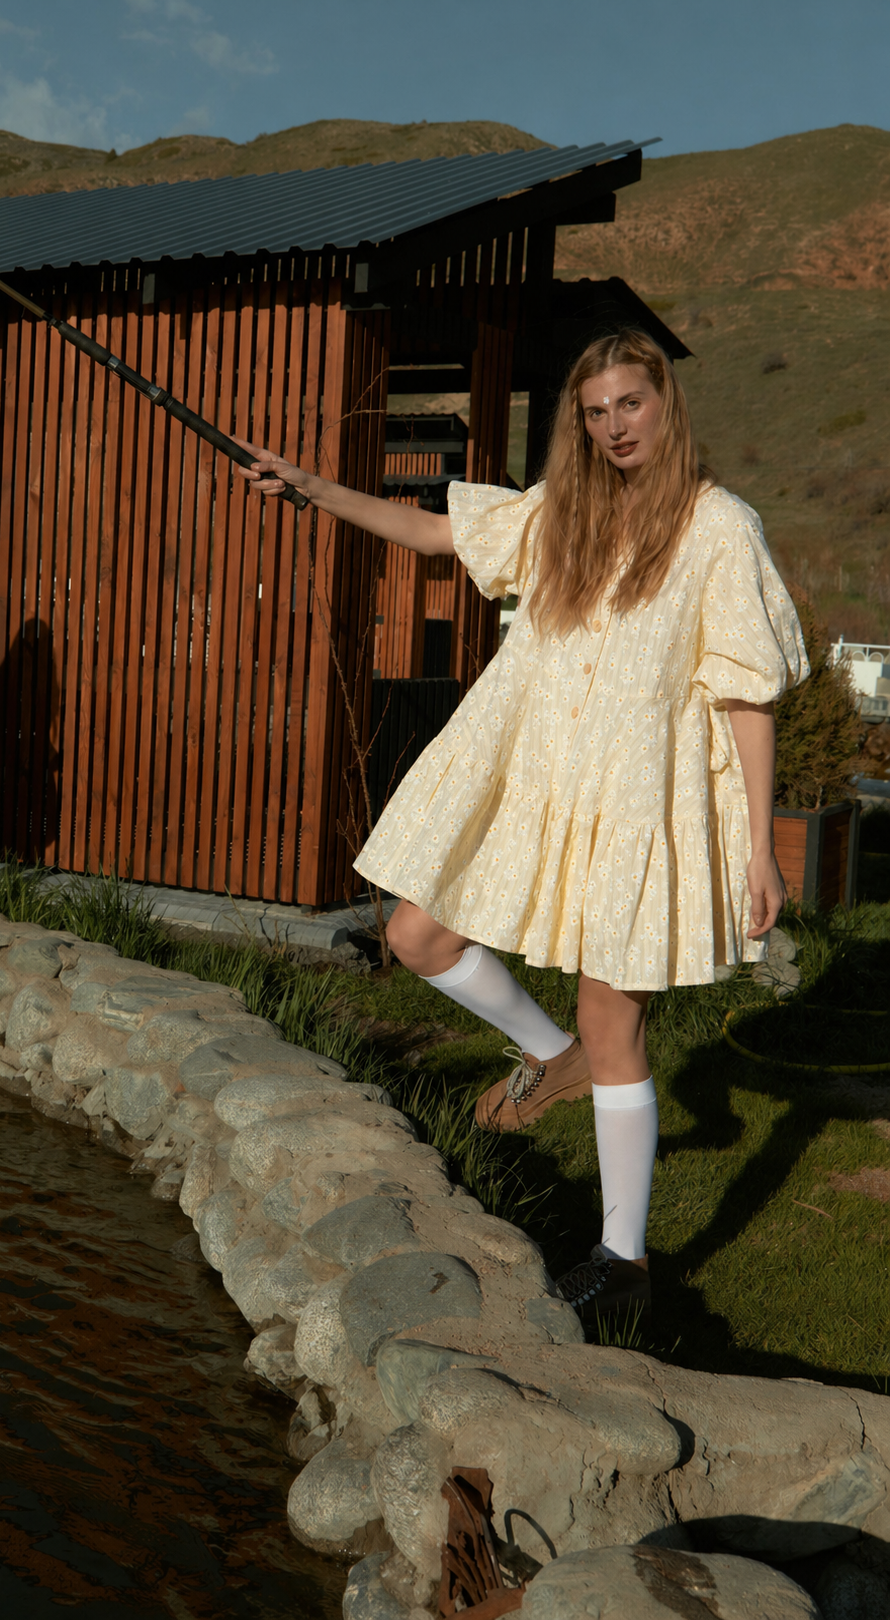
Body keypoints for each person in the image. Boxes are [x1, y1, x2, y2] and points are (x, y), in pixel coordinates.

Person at [236, 328, 808, 1327]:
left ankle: (622, 1262)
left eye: (629, 403)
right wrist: (311, 488)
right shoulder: (560, 511)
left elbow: (745, 695)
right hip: (532, 781)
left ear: (664, 404)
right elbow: (431, 534)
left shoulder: (719, 526)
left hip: (639, 800)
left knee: (613, 1023)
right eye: (594, 412)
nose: (613, 426)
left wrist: (758, 847)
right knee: (416, 934)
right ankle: (548, 1056)